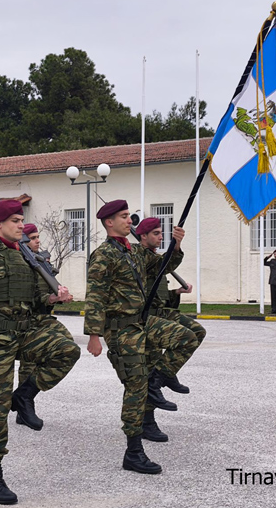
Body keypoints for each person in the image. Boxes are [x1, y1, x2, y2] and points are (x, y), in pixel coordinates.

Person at [0, 200, 79, 505]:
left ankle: (25, 394)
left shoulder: (28, 256)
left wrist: (54, 296)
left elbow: (38, 299)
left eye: (21, 220)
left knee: (66, 350)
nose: (20, 226)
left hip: (27, 331)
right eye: (14, 221)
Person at [84, 200, 200, 475]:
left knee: (187, 337)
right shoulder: (103, 256)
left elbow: (163, 266)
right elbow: (95, 296)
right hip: (121, 330)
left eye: (129, 216)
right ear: (109, 222)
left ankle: (157, 380)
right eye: (124, 217)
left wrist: (177, 244)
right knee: (135, 387)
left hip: (142, 322)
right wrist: (94, 335)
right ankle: (133, 451)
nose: (130, 221)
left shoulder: (134, 251)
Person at [134, 217, 206, 442]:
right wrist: (176, 246)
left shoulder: (153, 257)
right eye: (155, 233)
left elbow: (159, 291)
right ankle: (146, 422)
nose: (160, 236)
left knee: (198, 332)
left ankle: (163, 376)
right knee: (147, 368)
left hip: (161, 312)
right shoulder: (138, 256)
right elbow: (167, 264)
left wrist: (175, 293)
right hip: (146, 318)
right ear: (142, 236)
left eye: (160, 232)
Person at [15, 223, 76, 428]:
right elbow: (30, 297)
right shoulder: (23, 264)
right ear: (23, 241)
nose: (38, 241)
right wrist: (50, 299)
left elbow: (49, 289)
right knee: (30, 363)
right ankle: (24, 405)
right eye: (32, 238)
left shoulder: (40, 262)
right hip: (29, 321)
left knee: (66, 349)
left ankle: (23, 400)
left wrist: (61, 295)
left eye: (38, 237)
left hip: (44, 318)